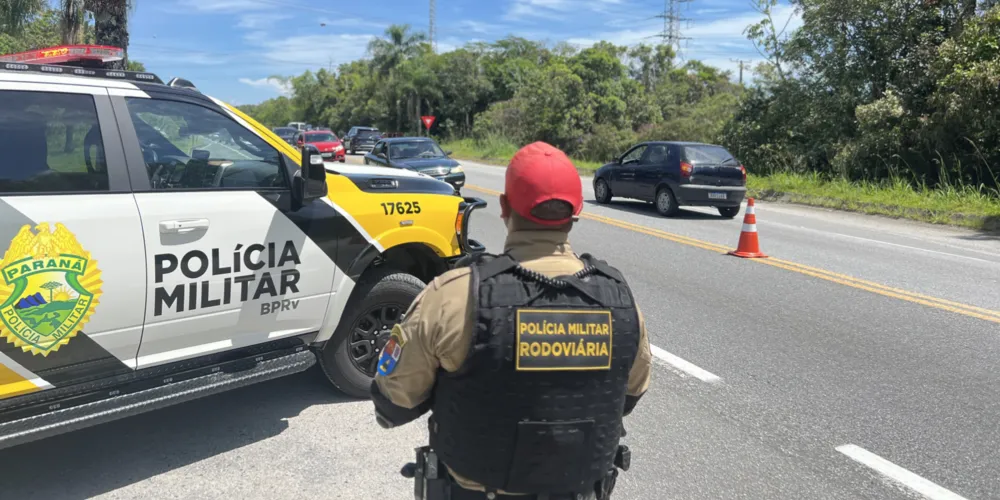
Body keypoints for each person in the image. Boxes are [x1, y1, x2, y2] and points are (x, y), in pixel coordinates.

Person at [371, 141, 653, 500]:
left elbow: (393, 403)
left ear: (504, 207)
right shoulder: (621, 301)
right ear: (576, 212)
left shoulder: (454, 295)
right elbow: (628, 395)